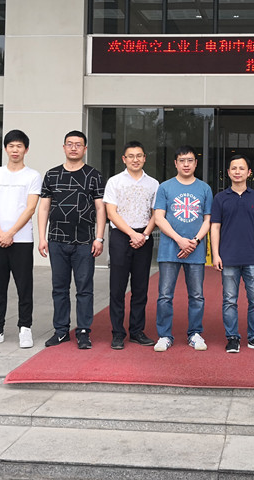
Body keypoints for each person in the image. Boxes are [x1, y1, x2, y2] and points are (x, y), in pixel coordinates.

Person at [37, 131, 106, 350]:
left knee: (84, 288)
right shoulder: (52, 175)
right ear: (64, 147)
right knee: (59, 288)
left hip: (85, 242)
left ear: (85, 149)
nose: (74, 148)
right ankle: (61, 331)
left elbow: (100, 208)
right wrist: (42, 237)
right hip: (56, 240)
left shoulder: (94, 175)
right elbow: (44, 207)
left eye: (78, 144)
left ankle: (84, 331)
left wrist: (99, 238)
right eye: (70, 144)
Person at [0, 130, 41, 349]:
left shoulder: (32, 176)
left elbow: (30, 208)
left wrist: (10, 233)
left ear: (26, 150)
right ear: (5, 148)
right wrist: (0, 232)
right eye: (11, 146)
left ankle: (25, 328)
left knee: (24, 285)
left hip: (22, 240)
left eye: (19, 146)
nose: (15, 150)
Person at [152, 145, 213, 352]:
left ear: (196, 163)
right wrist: (180, 240)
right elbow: (159, 218)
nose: (186, 164)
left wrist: (194, 241)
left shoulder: (204, 188)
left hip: (195, 250)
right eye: (182, 160)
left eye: (190, 160)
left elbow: (208, 220)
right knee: (165, 295)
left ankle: (195, 333)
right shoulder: (165, 187)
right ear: (175, 163)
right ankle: (164, 335)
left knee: (197, 295)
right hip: (170, 249)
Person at [210, 154, 254, 354]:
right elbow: (215, 227)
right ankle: (232, 338)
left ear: (249, 172)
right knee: (229, 300)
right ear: (228, 172)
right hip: (228, 258)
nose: (238, 172)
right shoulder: (220, 198)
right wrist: (215, 254)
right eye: (234, 168)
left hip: (253, 257)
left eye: (242, 168)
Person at [103, 140, 159, 350]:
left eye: (139, 156)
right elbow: (111, 213)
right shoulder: (115, 182)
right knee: (117, 288)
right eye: (131, 156)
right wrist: (131, 234)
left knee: (140, 287)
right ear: (124, 159)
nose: (135, 160)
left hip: (144, 236)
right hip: (121, 236)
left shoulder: (153, 184)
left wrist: (143, 235)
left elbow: (156, 213)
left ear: (144, 158)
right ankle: (118, 333)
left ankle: (137, 331)